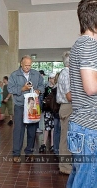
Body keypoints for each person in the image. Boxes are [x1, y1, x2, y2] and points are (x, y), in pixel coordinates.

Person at [67, 1, 97, 187]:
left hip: (82, 127)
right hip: (89, 128)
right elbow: (91, 87)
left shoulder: (80, 43)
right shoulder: (88, 44)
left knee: (80, 180)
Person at [8, 55, 44, 163]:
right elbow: (10, 88)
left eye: (29, 65)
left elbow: (43, 85)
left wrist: (38, 90)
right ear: (21, 64)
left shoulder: (36, 74)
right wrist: (22, 88)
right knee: (19, 130)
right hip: (20, 105)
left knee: (32, 129)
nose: (28, 67)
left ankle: (29, 152)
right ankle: (16, 153)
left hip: (32, 106)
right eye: (26, 65)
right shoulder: (14, 75)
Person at [56, 51, 72, 175]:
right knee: (66, 138)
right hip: (68, 107)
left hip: (67, 107)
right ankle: (65, 166)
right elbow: (69, 95)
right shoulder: (66, 74)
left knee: (66, 137)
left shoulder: (66, 73)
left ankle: (66, 164)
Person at [39, 73, 56, 153]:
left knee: (53, 128)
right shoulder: (46, 88)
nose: (51, 80)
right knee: (47, 128)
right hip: (48, 110)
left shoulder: (57, 88)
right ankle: (44, 144)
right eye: (50, 78)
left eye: (53, 78)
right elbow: (43, 99)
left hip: (55, 111)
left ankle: (52, 144)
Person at [52, 72, 61, 156]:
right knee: (61, 131)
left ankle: (56, 148)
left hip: (55, 111)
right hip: (60, 110)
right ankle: (59, 149)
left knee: (56, 130)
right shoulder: (61, 87)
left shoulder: (54, 88)